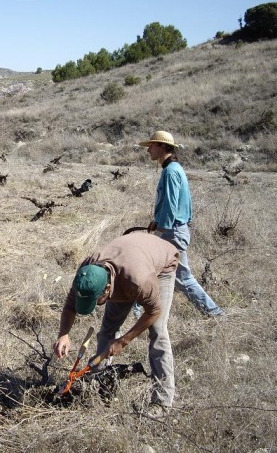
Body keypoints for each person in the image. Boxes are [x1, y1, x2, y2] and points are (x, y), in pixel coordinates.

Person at [53, 233, 179, 417]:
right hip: (127, 265)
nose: (96, 305)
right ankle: (99, 383)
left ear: (107, 289)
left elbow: (154, 311)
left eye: (97, 300)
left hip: (161, 264)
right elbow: (70, 305)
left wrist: (124, 341)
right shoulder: (87, 274)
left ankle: (162, 402)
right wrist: (63, 334)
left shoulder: (139, 280)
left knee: (157, 331)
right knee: (108, 330)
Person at [138, 130, 225, 318]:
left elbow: (170, 205)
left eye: (151, 146)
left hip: (171, 232)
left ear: (162, 147)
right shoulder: (174, 169)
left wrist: (161, 229)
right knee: (157, 273)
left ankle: (215, 313)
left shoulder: (170, 172)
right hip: (175, 229)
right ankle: (140, 310)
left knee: (180, 278)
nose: (148, 150)